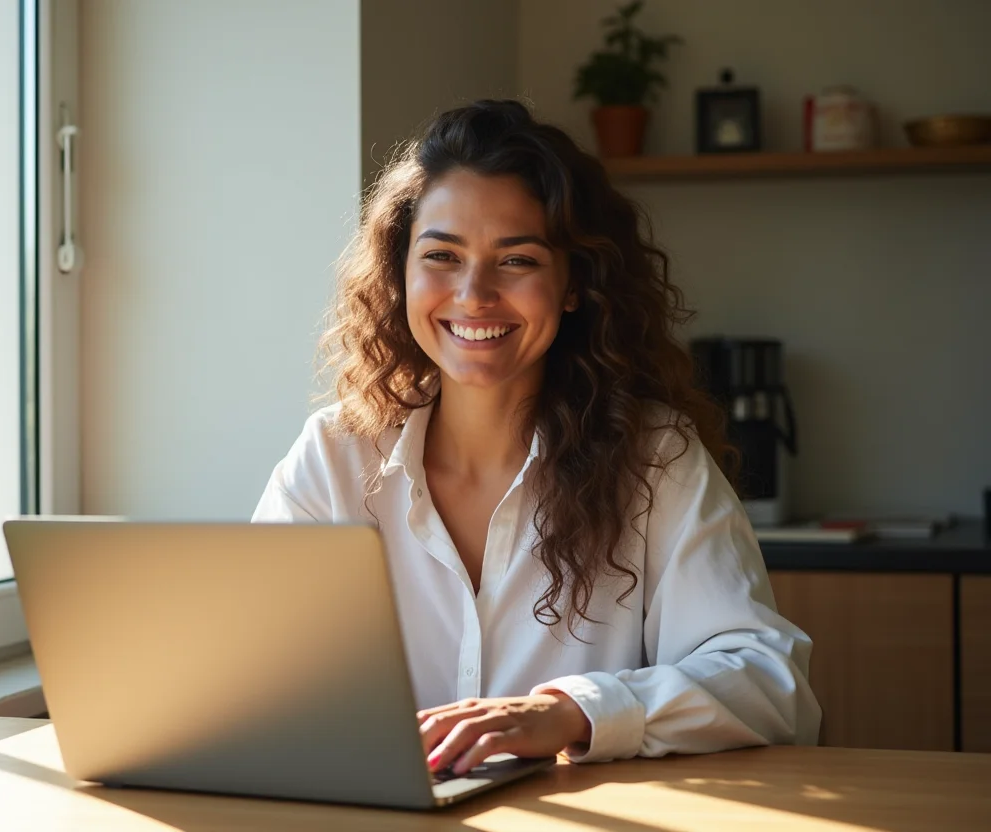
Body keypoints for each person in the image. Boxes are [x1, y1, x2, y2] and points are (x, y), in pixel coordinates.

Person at [253, 99, 820, 776]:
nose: (473, 294)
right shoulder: (334, 457)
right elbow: (248, 671)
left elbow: (769, 684)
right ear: (400, 272)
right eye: (442, 255)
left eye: (516, 260)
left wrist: (570, 712)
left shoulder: (652, 457)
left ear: (574, 283)